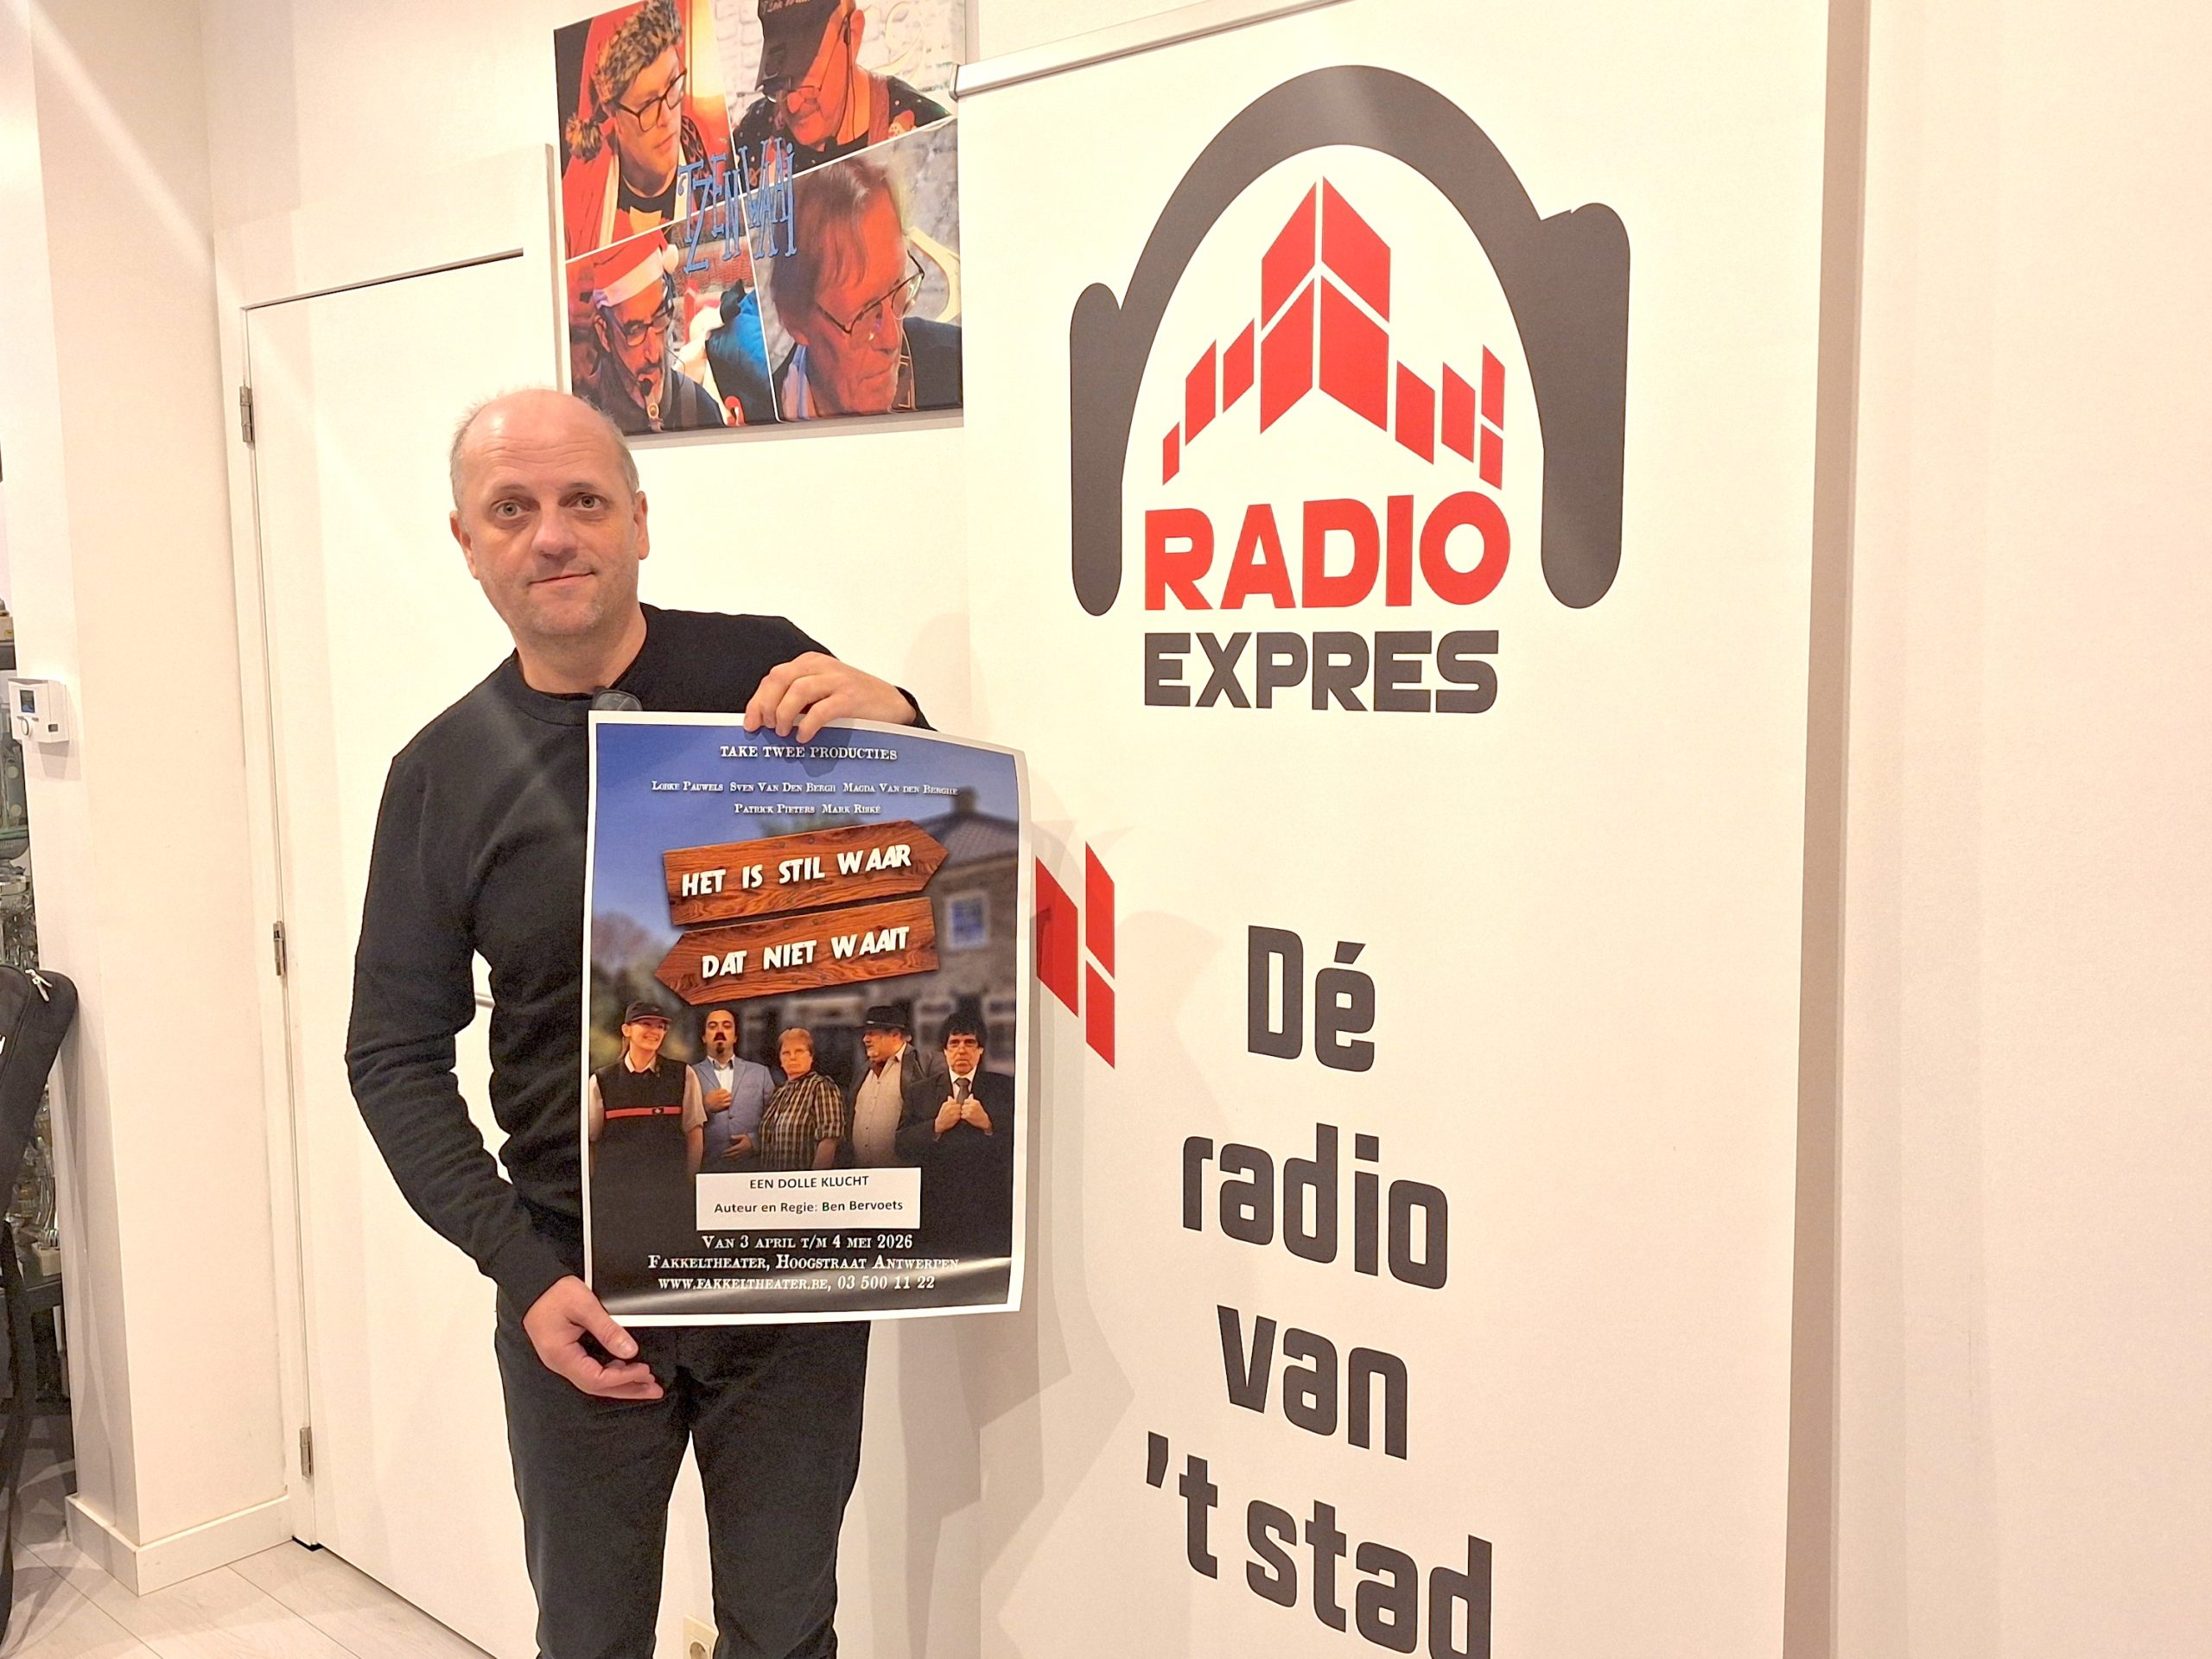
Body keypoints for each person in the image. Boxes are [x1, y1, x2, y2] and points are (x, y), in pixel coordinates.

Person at [345, 386, 922, 1659]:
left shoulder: (762, 673)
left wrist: (903, 713)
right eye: (512, 509)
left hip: (791, 1263)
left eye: (584, 501)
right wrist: (521, 1271)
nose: (553, 535)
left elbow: (913, 856)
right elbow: (390, 1054)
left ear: (640, 521)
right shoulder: (442, 775)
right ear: (466, 541)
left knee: (786, 1627)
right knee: (591, 1636)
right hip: (578, 1283)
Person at [766, 155, 962, 419]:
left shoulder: (963, 368)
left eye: (897, 288)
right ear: (795, 320)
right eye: (864, 314)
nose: (892, 339)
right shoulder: (759, 413)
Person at [563, 0, 723, 258]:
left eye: (672, 84)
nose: (667, 117)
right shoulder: (579, 197)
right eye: (647, 105)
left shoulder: (708, 152)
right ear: (612, 111)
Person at [730, 0, 948, 188]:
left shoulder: (929, 137)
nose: (793, 105)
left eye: (807, 80)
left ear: (852, 35)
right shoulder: (752, 137)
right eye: (779, 85)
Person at [587, 1001, 707, 1290]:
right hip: (617, 1202)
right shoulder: (601, 1081)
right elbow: (591, 1141)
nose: (655, 1031)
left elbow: (694, 1132)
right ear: (626, 1030)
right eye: (646, 1024)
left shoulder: (683, 1075)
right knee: (623, 1280)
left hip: (668, 1198)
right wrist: (598, 1188)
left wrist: (688, 1182)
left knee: (667, 1282)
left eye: (660, 1026)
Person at [573, 234, 728, 435]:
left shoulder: (698, 409)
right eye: (635, 330)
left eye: (659, 319)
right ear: (604, 333)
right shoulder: (580, 421)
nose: (654, 354)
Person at [895, 1012, 1016, 1259]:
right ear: (945, 1050)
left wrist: (988, 1124)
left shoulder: (1004, 1087)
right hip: (936, 1213)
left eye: (970, 1043)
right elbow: (901, 1145)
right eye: (954, 1043)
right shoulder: (920, 1092)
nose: (962, 1050)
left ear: (981, 1050)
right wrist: (935, 1126)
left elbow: (1022, 1145)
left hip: (989, 1212)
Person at [845, 1002, 944, 1167]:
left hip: (904, 1175)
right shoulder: (862, 1072)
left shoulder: (926, 1064)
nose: (865, 1039)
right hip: (863, 1176)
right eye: (865, 1034)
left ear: (895, 1035)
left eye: (872, 1033)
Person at [692, 1006, 773, 1167]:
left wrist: (755, 1142)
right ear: (704, 1037)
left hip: (751, 1170)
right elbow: (676, 1125)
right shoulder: (689, 1075)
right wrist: (703, 1107)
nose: (720, 1031)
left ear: (735, 1037)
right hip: (707, 1170)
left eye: (727, 1026)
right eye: (713, 1026)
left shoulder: (760, 1073)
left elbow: (777, 1120)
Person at [758, 1027, 847, 1172]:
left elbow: (829, 1141)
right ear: (780, 1060)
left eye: (799, 1051)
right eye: (786, 1053)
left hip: (803, 1181)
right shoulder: (778, 1093)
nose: (792, 1057)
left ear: (811, 1056)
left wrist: (813, 1180)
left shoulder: (821, 1087)